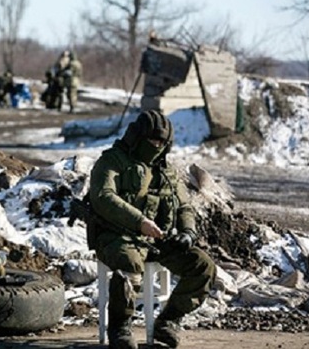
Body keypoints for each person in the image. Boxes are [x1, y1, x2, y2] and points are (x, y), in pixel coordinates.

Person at [86, 110, 216, 349]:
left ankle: (168, 321)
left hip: (158, 240)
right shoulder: (112, 161)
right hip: (117, 237)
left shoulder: (167, 172)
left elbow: (184, 206)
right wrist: (139, 222)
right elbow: (103, 197)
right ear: (137, 137)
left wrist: (188, 232)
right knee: (129, 264)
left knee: (203, 266)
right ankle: (120, 326)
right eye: (152, 141)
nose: (156, 146)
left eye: (162, 142)